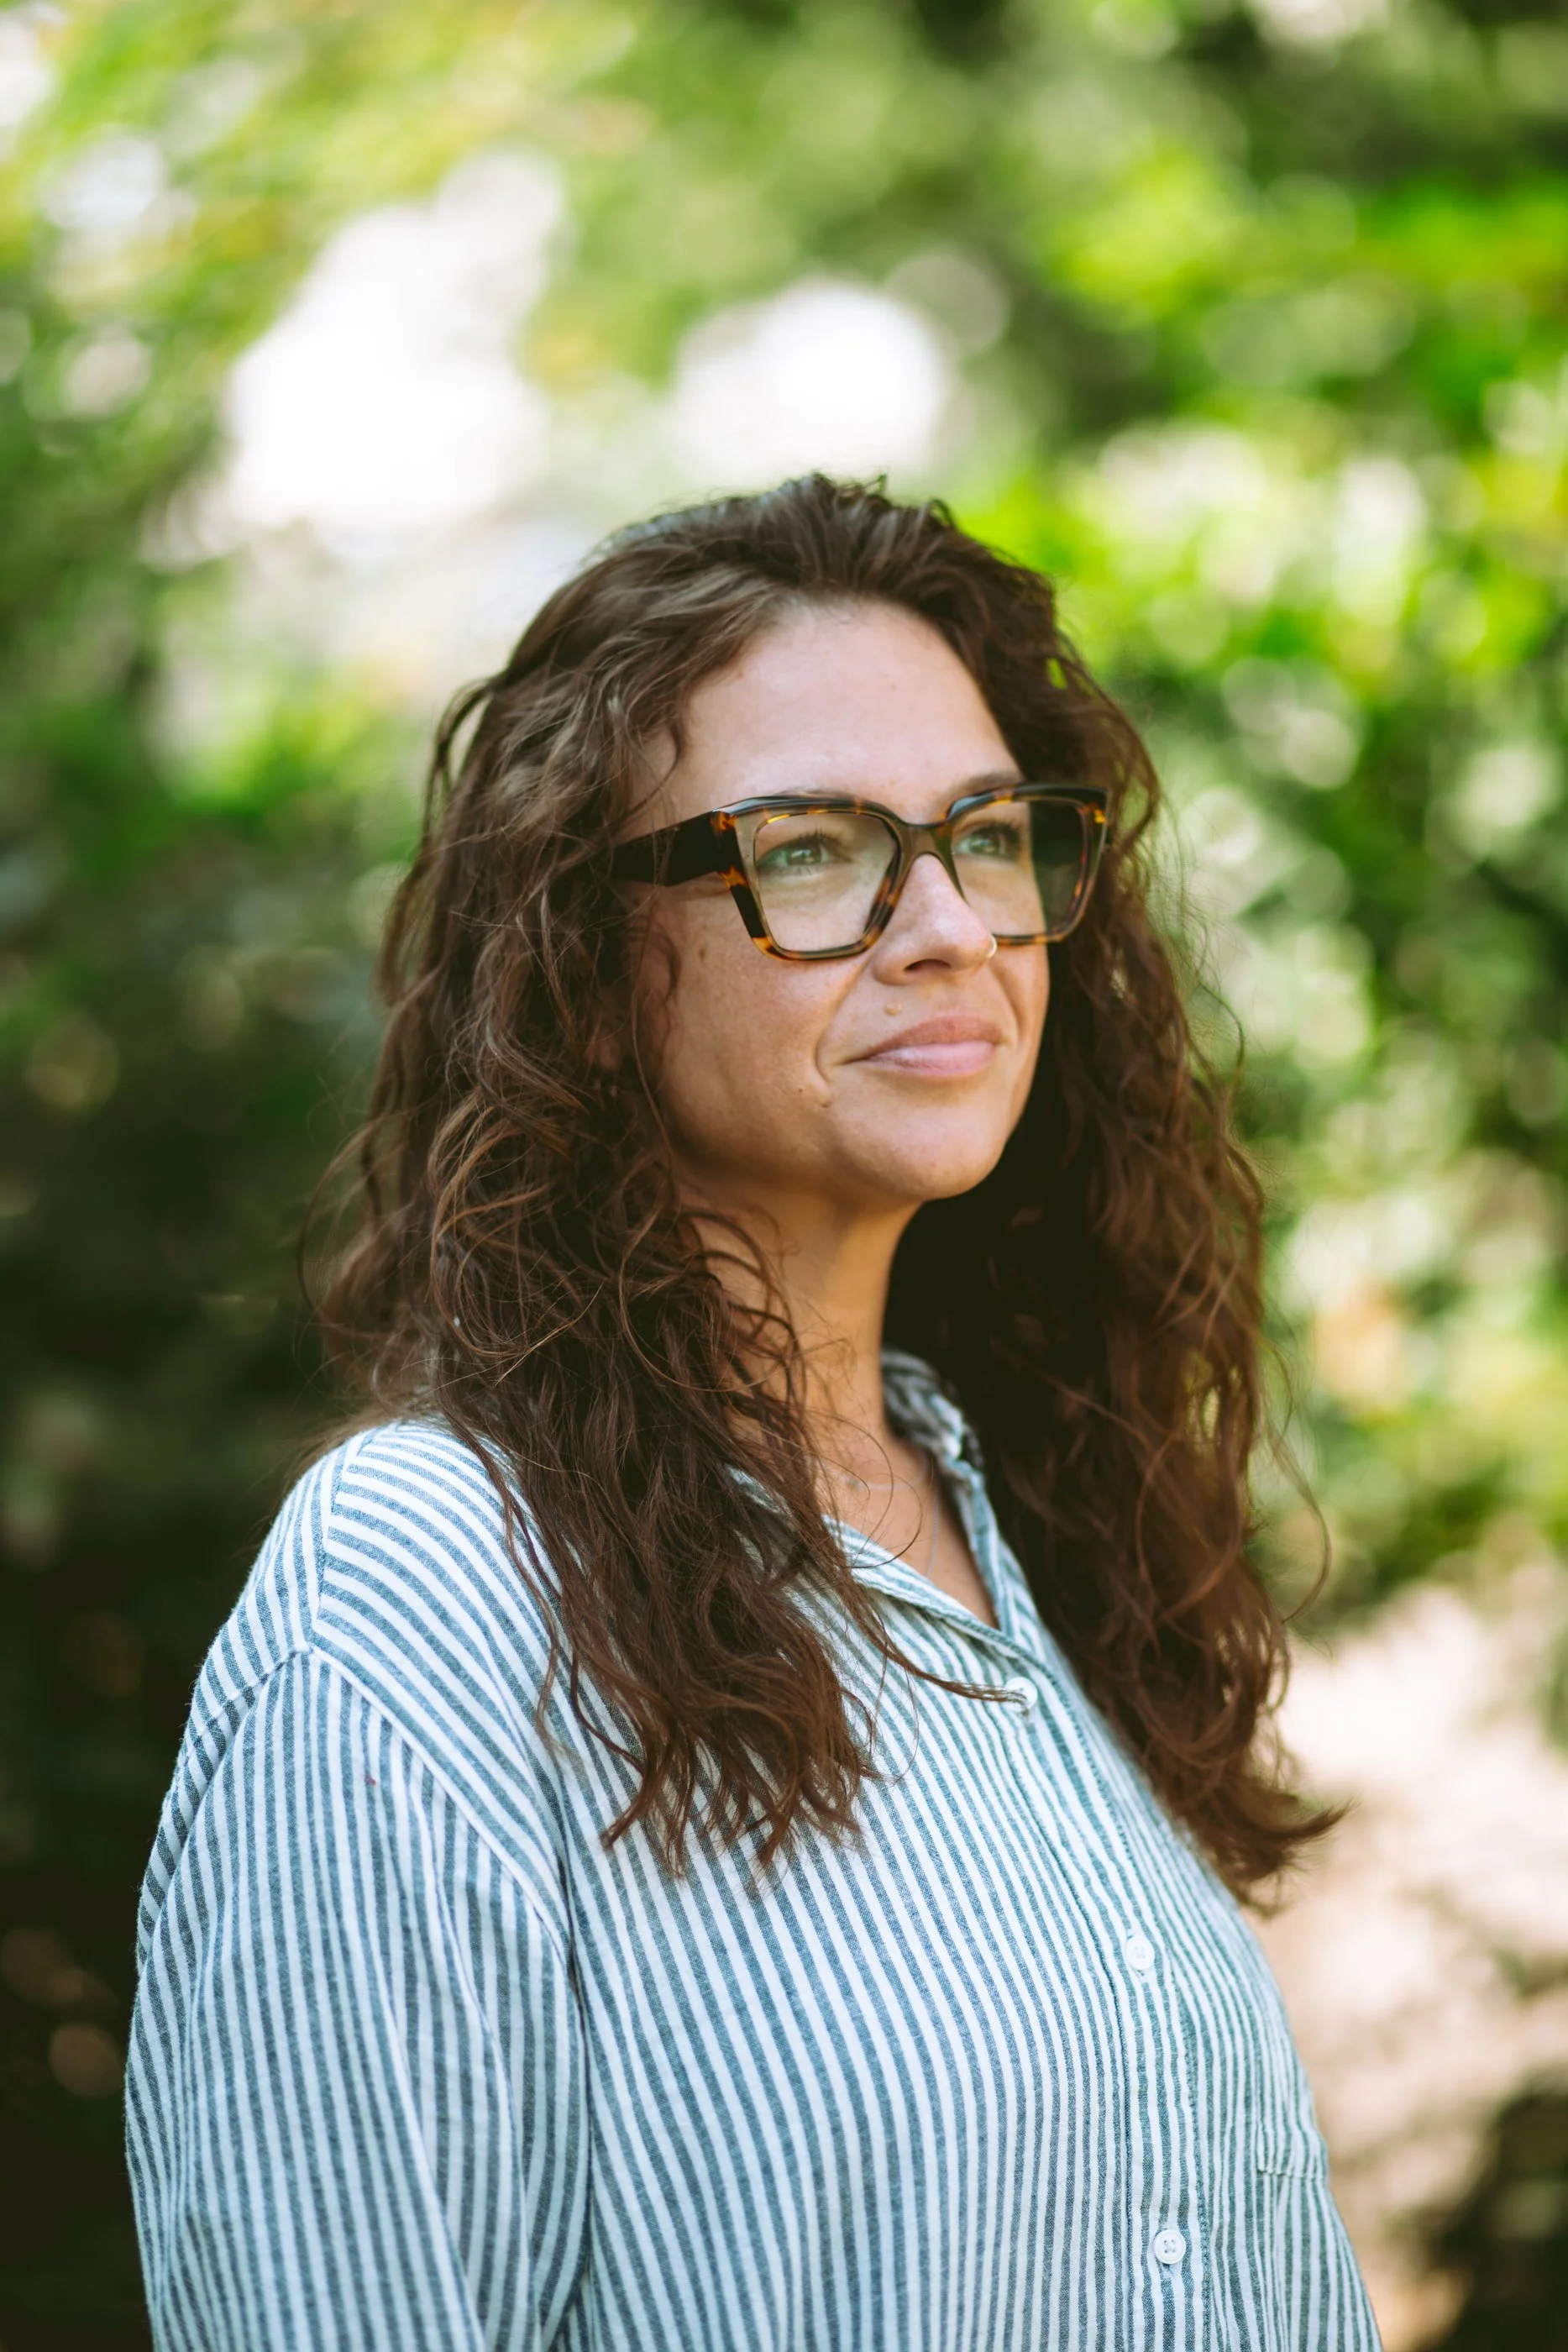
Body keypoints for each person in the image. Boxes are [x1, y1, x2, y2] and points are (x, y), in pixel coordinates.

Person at [125, 475, 1379, 2351]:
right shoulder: (429, 1595)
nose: (951, 923)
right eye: (810, 850)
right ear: (591, 963)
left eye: (985, 834)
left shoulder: (1029, 1533)